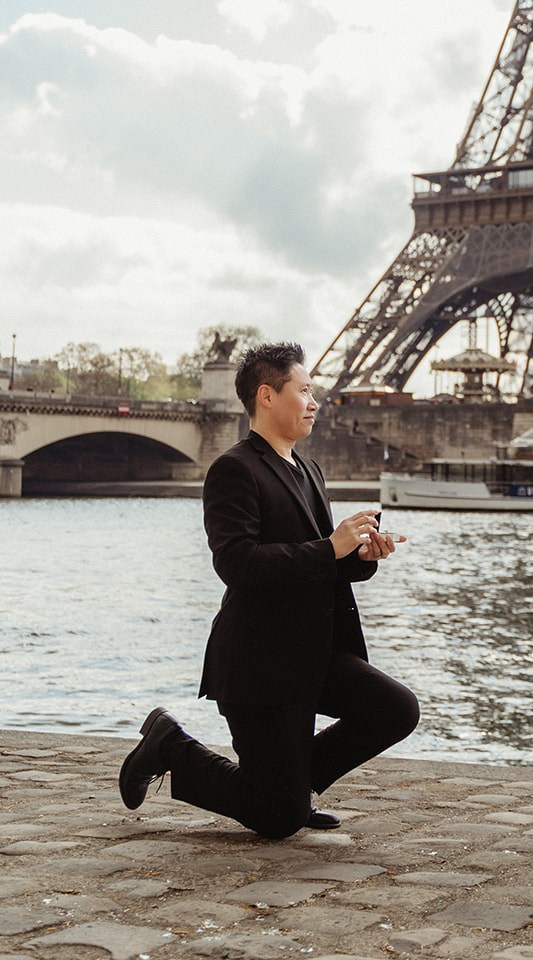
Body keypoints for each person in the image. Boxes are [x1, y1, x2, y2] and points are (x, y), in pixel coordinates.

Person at [118, 341, 419, 838]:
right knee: (278, 821)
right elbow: (237, 564)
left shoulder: (309, 470)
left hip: (311, 653)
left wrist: (362, 556)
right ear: (267, 396)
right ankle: (171, 745)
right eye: (304, 390)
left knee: (397, 709)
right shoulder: (234, 469)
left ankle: (295, 787)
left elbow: (328, 561)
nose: (315, 401)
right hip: (259, 662)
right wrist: (332, 546)